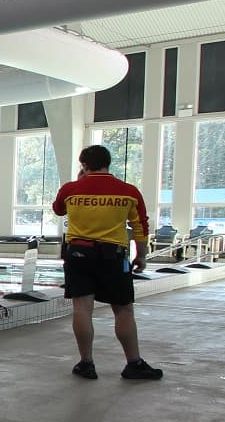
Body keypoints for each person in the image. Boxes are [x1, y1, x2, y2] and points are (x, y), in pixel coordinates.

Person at [52, 145, 162, 380]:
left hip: (78, 254)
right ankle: (134, 362)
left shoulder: (71, 189)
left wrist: (79, 182)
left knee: (82, 309)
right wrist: (141, 255)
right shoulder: (128, 191)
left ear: (84, 165)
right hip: (113, 256)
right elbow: (141, 226)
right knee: (123, 310)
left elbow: (58, 209)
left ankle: (86, 363)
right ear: (108, 163)